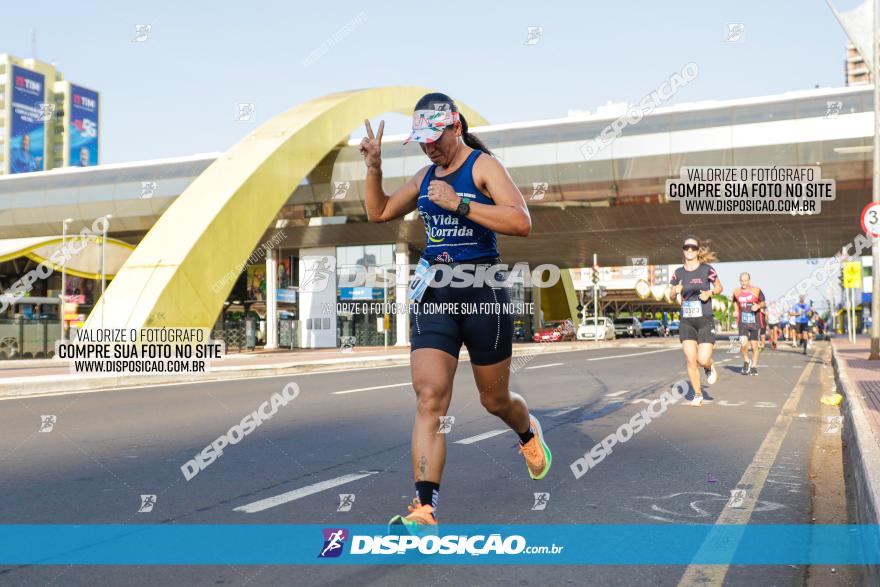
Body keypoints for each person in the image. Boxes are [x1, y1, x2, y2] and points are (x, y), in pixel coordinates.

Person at [360, 92, 550, 532]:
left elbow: (521, 221)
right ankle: (424, 508)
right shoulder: (425, 176)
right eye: (421, 139)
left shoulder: (483, 167)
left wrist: (460, 204)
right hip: (436, 294)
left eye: (434, 136)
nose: (428, 146)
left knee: (493, 399)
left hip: (483, 291)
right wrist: (374, 168)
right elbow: (378, 211)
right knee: (430, 398)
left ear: (455, 127)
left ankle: (527, 433)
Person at [668, 236, 723, 406]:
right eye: (686, 247)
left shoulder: (707, 270)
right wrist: (674, 291)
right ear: (683, 250)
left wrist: (709, 293)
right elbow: (670, 296)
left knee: (702, 359)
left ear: (698, 251)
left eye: (693, 247)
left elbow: (719, 287)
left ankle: (708, 366)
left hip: (705, 320)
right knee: (691, 360)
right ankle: (698, 394)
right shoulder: (678, 273)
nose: (689, 250)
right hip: (686, 321)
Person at [733, 273, 765, 375]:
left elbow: (764, 302)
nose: (744, 283)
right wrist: (736, 311)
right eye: (742, 281)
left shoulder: (756, 290)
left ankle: (754, 366)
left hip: (755, 321)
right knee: (743, 344)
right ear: (740, 281)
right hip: (742, 322)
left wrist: (758, 306)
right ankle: (747, 360)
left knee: (754, 346)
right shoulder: (736, 291)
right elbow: (734, 301)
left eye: (745, 280)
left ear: (749, 280)